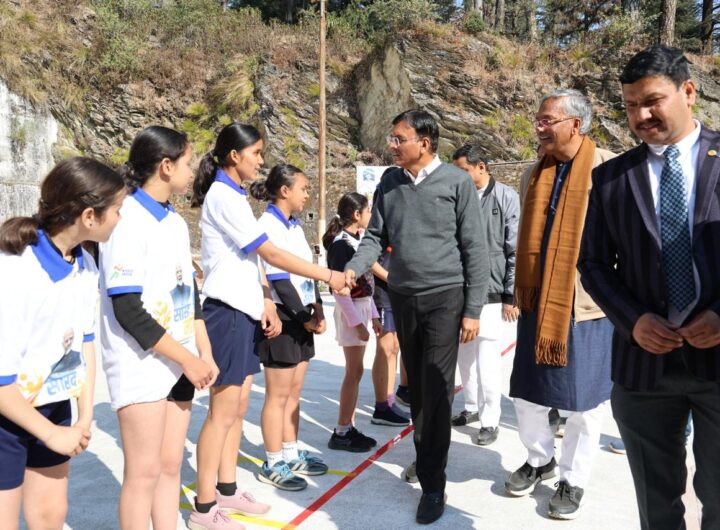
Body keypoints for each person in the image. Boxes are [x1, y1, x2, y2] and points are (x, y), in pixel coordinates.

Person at [578, 45, 720, 530]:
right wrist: (633, 320)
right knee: (657, 507)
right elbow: (594, 264)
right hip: (644, 371)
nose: (641, 116)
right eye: (630, 105)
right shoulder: (611, 178)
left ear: (688, 92)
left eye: (653, 101)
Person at [189, 123, 346, 530]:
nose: (261, 161)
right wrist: (329, 275)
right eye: (256, 153)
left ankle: (226, 488)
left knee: (237, 407)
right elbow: (271, 255)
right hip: (225, 312)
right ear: (234, 155)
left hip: (243, 312)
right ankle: (204, 508)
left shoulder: (235, 196)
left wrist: (263, 301)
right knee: (221, 413)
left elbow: (253, 260)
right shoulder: (223, 196)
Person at [344, 109, 489, 524]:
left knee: (437, 388)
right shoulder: (390, 183)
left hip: (445, 298)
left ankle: (433, 483)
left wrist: (472, 309)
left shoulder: (457, 182)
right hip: (404, 297)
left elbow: (475, 248)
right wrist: (353, 268)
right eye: (392, 138)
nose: (392, 145)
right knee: (416, 390)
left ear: (424, 143)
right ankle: (427, 459)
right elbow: (375, 237)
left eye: (399, 138)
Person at [99, 126, 218, 530]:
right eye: (188, 162)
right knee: (143, 472)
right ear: (166, 166)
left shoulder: (175, 221)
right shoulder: (126, 219)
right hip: (142, 363)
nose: (193, 170)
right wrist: (188, 358)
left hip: (181, 361)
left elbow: (190, 293)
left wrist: (203, 351)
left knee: (170, 464)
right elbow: (127, 309)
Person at [505, 89, 616, 520]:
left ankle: (573, 478)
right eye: (538, 119)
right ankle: (540, 459)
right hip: (538, 301)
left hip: (586, 305)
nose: (539, 127)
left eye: (547, 120)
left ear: (576, 124)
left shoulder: (608, 169)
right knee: (527, 394)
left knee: (584, 403)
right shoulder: (533, 173)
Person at [0, 157, 124, 529]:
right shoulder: (16, 270)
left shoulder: (85, 264)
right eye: (117, 210)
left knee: (50, 514)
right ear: (89, 216)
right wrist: (52, 434)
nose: (120, 219)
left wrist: (83, 416)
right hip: (8, 415)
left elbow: (84, 344)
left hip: (53, 405)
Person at [250, 164, 329, 491]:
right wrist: (302, 317)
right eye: (303, 188)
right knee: (277, 396)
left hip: (302, 315)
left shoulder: (294, 225)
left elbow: (308, 272)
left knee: (294, 393)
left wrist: (318, 309)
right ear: (285, 190)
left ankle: (291, 452)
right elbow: (280, 280)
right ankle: (273, 461)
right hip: (284, 317)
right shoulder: (267, 225)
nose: (307, 194)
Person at [451, 144, 520, 445]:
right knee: (464, 357)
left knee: (487, 359)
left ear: (481, 166)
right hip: (459, 289)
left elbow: (514, 248)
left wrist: (510, 294)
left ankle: (490, 420)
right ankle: (471, 406)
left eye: (463, 170)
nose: (459, 176)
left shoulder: (506, 197)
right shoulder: (456, 196)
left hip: (492, 292)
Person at [324, 192, 386, 452]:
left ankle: (348, 426)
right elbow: (340, 291)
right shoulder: (341, 245)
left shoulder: (355, 240)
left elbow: (366, 287)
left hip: (361, 308)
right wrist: (357, 323)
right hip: (351, 312)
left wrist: (372, 316)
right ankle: (342, 430)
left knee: (356, 371)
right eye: (368, 210)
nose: (371, 215)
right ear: (357, 214)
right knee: (353, 371)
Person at [371, 247, 411, 425]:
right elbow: (370, 261)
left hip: (397, 294)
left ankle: (389, 401)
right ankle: (382, 407)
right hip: (383, 294)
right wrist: (394, 279)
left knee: (394, 348)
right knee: (385, 349)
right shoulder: (377, 233)